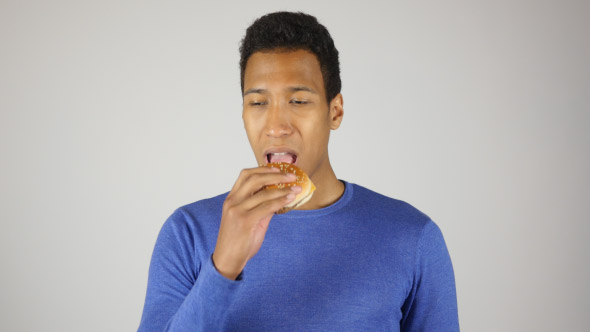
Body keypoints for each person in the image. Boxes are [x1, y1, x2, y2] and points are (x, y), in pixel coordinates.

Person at [137, 11, 459, 332]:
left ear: (335, 111)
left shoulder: (414, 238)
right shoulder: (187, 232)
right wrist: (222, 267)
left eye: (299, 101)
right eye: (258, 103)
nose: (276, 127)